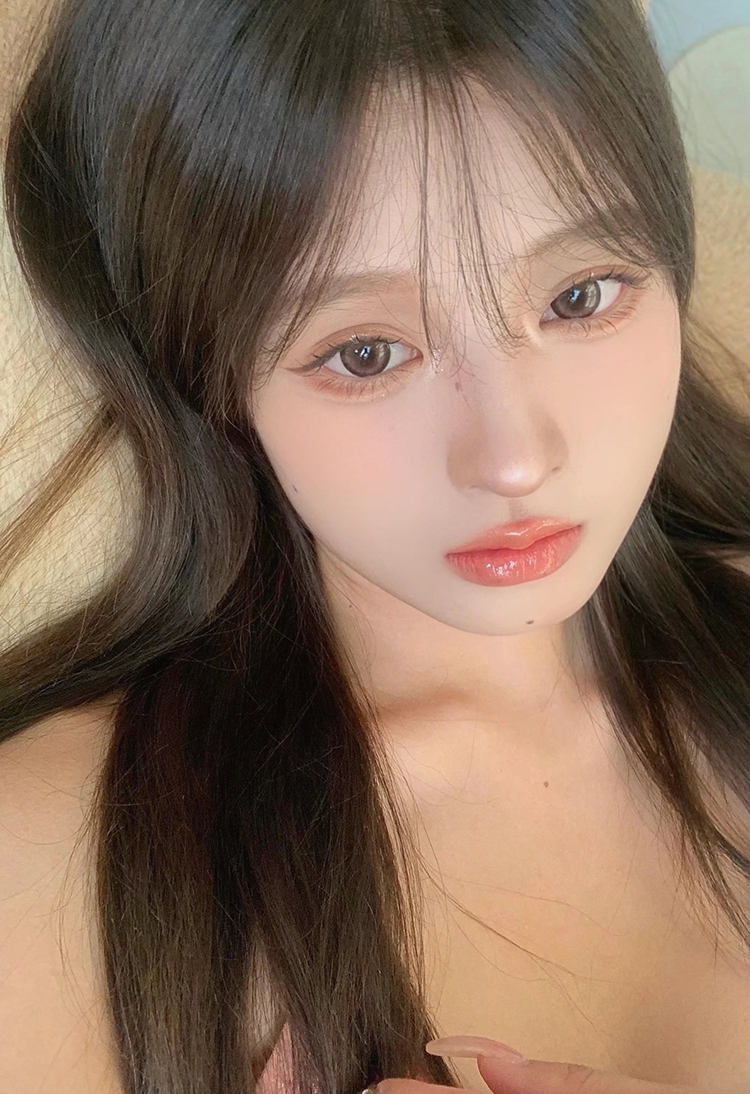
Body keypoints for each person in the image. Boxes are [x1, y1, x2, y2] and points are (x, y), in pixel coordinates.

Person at [0, 0, 748, 1091]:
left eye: (580, 295)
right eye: (366, 353)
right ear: (209, 372)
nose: (514, 457)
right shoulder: (54, 862)